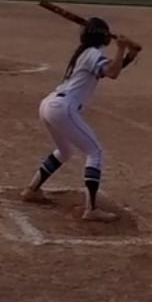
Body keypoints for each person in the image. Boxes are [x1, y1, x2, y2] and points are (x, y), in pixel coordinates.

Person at [20, 16, 141, 222]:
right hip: (62, 108)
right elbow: (113, 73)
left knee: (65, 151)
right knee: (95, 152)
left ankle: (32, 189)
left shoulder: (85, 53)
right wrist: (121, 48)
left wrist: (130, 55)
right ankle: (91, 209)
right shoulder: (92, 54)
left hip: (49, 105)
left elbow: (109, 70)